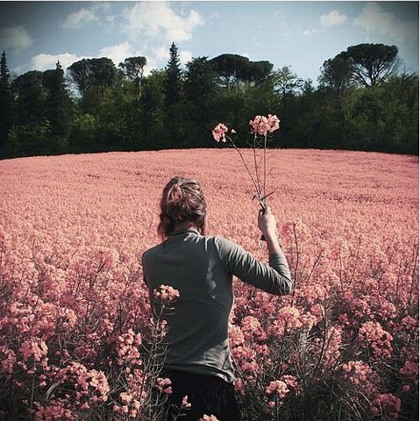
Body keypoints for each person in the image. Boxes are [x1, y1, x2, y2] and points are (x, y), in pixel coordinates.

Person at [142, 176, 292, 421]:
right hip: (210, 384)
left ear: (165, 215)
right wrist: (270, 233)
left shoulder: (149, 259)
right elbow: (282, 284)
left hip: (163, 383)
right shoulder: (218, 248)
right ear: (202, 213)